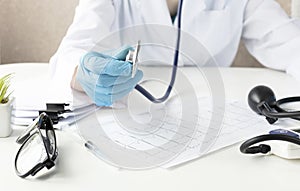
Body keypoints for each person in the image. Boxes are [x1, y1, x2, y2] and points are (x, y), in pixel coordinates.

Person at [50, 0, 300, 106]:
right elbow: (71, 51)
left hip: (214, 113)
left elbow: (291, 45)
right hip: (129, 115)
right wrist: (81, 74)